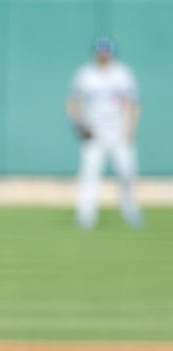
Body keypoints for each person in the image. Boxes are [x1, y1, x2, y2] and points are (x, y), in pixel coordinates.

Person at [66, 36, 142, 229]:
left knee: (127, 173)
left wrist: (130, 129)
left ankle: (131, 213)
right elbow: (73, 102)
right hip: (95, 132)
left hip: (118, 131)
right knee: (89, 175)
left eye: (106, 52)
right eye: (100, 52)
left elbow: (133, 104)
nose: (103, 55)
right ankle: (85, 217)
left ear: (111, 53)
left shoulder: (122, 74)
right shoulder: (85, 74)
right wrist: (79, 125)